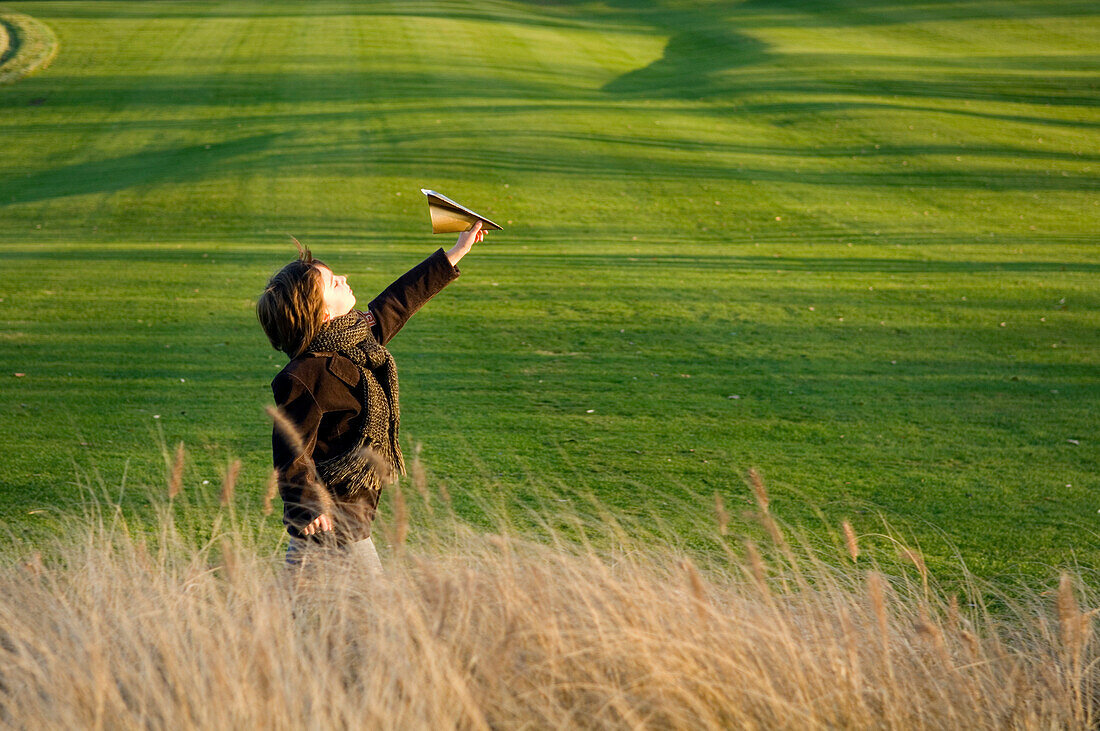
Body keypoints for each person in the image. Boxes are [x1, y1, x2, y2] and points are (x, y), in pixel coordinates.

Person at [257, 221, 486, 571]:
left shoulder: (355, 340)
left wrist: (455, 253)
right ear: (323, 314)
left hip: (350, 518)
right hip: (333, 521)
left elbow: (397, 303)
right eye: (333, 283)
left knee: (301, 612)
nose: (343, 279)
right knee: (374, 612)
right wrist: (305, 505)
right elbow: (290, 447)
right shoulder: (303, 376)